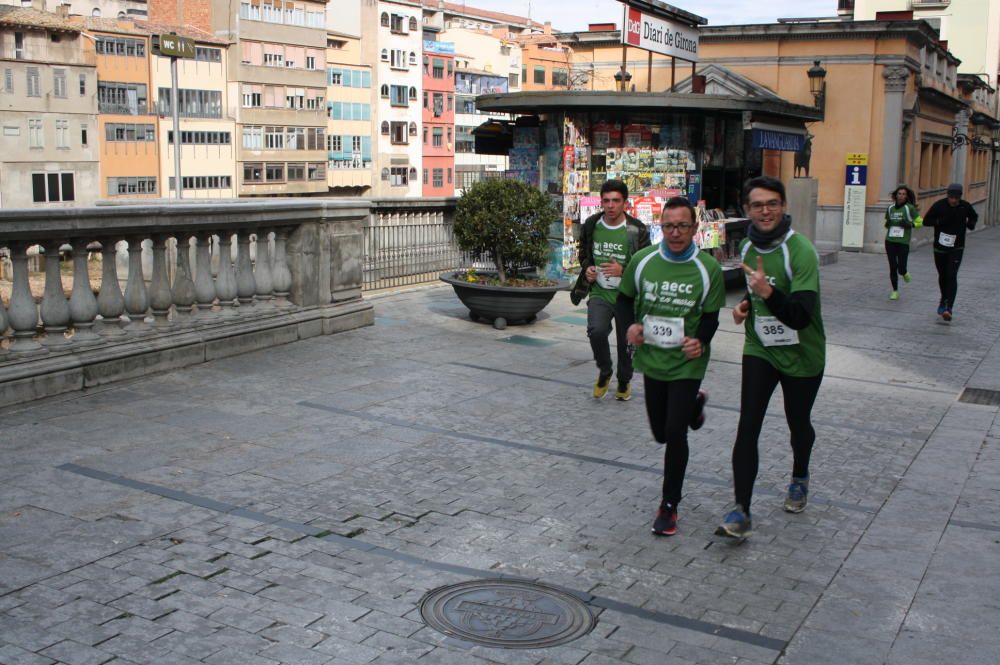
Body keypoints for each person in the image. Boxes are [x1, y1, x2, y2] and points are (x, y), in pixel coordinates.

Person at [716, 176, 826, 540]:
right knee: (748, 424)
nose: (765, 211)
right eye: (758, 205)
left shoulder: (802, 251)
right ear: (747, 209)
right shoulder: (748, 248)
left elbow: (800, 316)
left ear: (784, 206)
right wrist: (747, 304)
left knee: (799, 422)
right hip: (760, 347)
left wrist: (769, 292)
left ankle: (799, 476)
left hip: (802, 352)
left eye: (772, 203)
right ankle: (741, 509)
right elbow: (757, 294)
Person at [619, 197, 724, 536]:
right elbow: (624, 299)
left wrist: (701, 340)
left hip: (687, 363)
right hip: (652, 358)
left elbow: (710, 316)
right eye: (668, 226)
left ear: (694, 229)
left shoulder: (707, 269)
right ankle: (695, 405)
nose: (675, 233)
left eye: (682, 226)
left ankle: (669, 505)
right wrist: (629, 327)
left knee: (676, 434)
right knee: (661, 432)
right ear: (659, 227)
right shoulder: (642, 261)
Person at [570, 179, 650, 400]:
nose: (611, 206)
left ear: (625, 202)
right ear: (601, 202)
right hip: (600, 292)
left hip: (626, 296)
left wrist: (623, 270)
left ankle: (624, 381)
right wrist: (588, 270)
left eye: (616, 201)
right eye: (606, 201)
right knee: (596, 331)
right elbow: (584, 255)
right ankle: (605, 371)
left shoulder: (636, 229)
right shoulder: (592, 225)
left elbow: (646, 265)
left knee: (626, 343)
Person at [922, 183, 978, 321]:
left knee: (952, 275)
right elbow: (926, 221)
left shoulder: (965, 206)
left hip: (957, 247)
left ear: (960, 197)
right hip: (940, 247)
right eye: (951, 197)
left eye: (956, 198)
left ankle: (948, 307)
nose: (953, 200)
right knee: (943, 275)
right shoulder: (939, 205)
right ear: (947, 195)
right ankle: (943, 298)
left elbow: (974, 216)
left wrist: (970, 224)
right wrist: (939, 221)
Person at [883, 185, 922, 301]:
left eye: (904, 194)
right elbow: (887, 223)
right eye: (899, 194)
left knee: (901, 267)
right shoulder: (890, 208)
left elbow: (920, 222)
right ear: (896, 195)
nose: (901, 196)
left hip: (903, 242)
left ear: (906, 196)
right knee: (892, 267)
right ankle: (895, 291)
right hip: (890, 240)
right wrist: (888, 224)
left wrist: (910, 225)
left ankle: (904, 272)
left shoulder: (909, 208)